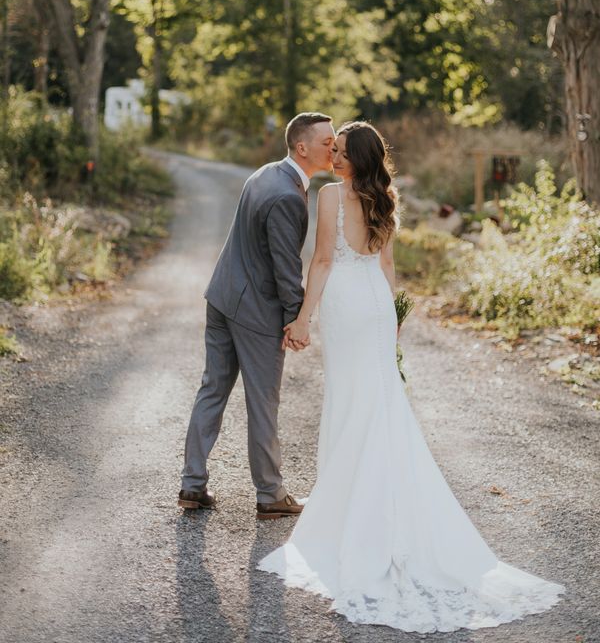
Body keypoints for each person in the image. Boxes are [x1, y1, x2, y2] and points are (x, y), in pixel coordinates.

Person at [258, 121, 564, 633]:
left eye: (341, 152)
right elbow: (387, 264)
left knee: (353, 403)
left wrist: (303, 317)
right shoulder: (385, 197)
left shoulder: (331, 197)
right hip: (376, 308)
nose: (333, 157)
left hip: (347, 309)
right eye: (332, 150)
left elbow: (324, 260)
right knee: (380, 403)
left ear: (357, 158)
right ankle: (378, 506)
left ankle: (352, 521)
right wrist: (393, 320)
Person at [178, 112, 335, 519]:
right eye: (326, 142)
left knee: (212, 389)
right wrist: (295, 321)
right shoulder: (287, 195)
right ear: (302, 147)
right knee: (263, 402)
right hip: (255, 312)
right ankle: (270, 494)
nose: (333, 148)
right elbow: (286, 268)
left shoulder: (265, 173)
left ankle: (192, 485)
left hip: (222, 296)